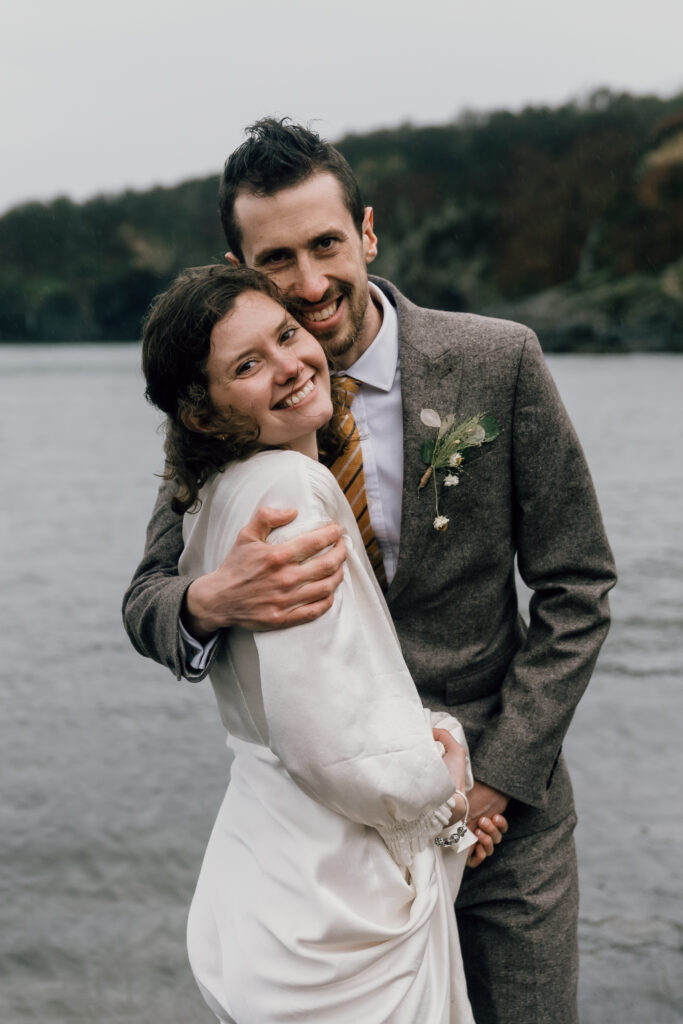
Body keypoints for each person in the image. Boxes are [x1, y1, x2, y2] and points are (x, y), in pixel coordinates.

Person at [123, 119, 617, 1024]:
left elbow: (576, 587)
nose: (310, 285)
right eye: (277, 260)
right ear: (238, 264)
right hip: (338, 853)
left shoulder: (496, 361)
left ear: (368, 232)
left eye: (327, 245)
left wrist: (495, 777)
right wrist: (209, 598)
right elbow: (146, 599)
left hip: (510, 817)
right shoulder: (225, 418)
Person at [140, 262, 482, 1023]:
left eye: (287, 336)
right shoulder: (289, 493)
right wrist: (445, 785)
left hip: (268, 861)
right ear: (203, 411)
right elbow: (325, 741)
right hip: (335, 889)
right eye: (247, 365)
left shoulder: (213, 493)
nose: (291, 365)